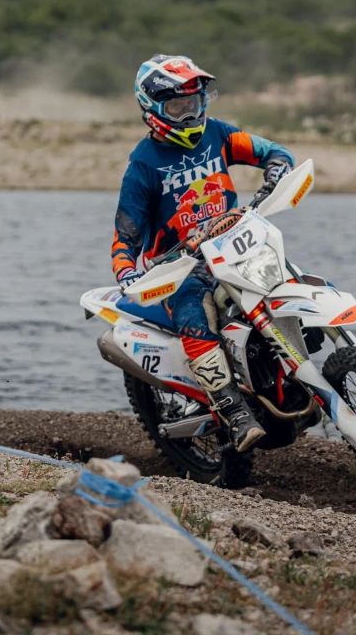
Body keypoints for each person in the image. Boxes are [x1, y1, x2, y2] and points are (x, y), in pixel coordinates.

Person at [111, 54, 294, 453]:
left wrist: (277, 170)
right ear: (153, 109)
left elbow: (273, 152)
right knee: (195, 316)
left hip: (235, 244)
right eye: (177, 105)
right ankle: (234, 411)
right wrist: (127, 274)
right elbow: (125, 237)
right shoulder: (142, 165)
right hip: (181, 268)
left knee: (288, 279)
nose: (189, 112)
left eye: (193, 103)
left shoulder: (220, 134)